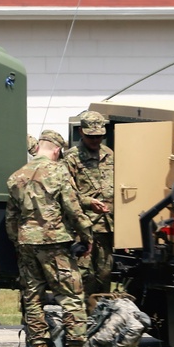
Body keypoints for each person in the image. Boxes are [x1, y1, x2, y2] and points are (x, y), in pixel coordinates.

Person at [6, 129, 96, 347]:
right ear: (57, 150)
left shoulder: (16, 176)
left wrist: (20, 242)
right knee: (72, 295)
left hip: (27, 244)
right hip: (55, 244)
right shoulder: (59, 172)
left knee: (32, 298)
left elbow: (11, 219)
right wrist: (87, 237)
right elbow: (73, 209)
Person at [0, 134, 41, 326]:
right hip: (27, 217)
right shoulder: (29, 143)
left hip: (2, 212)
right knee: (28, 271)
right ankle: (28, 314)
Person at [64, 110, 115, 299]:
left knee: (105, 274)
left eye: (100, 136)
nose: (96, 140)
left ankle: (101, 315)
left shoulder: (109, 155)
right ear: (81, 133)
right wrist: (87, 202)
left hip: (107, 226)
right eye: (91, 137)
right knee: (84, 275)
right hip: (83, 227)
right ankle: (82, 318)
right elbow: (65, 193)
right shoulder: (71, 158)